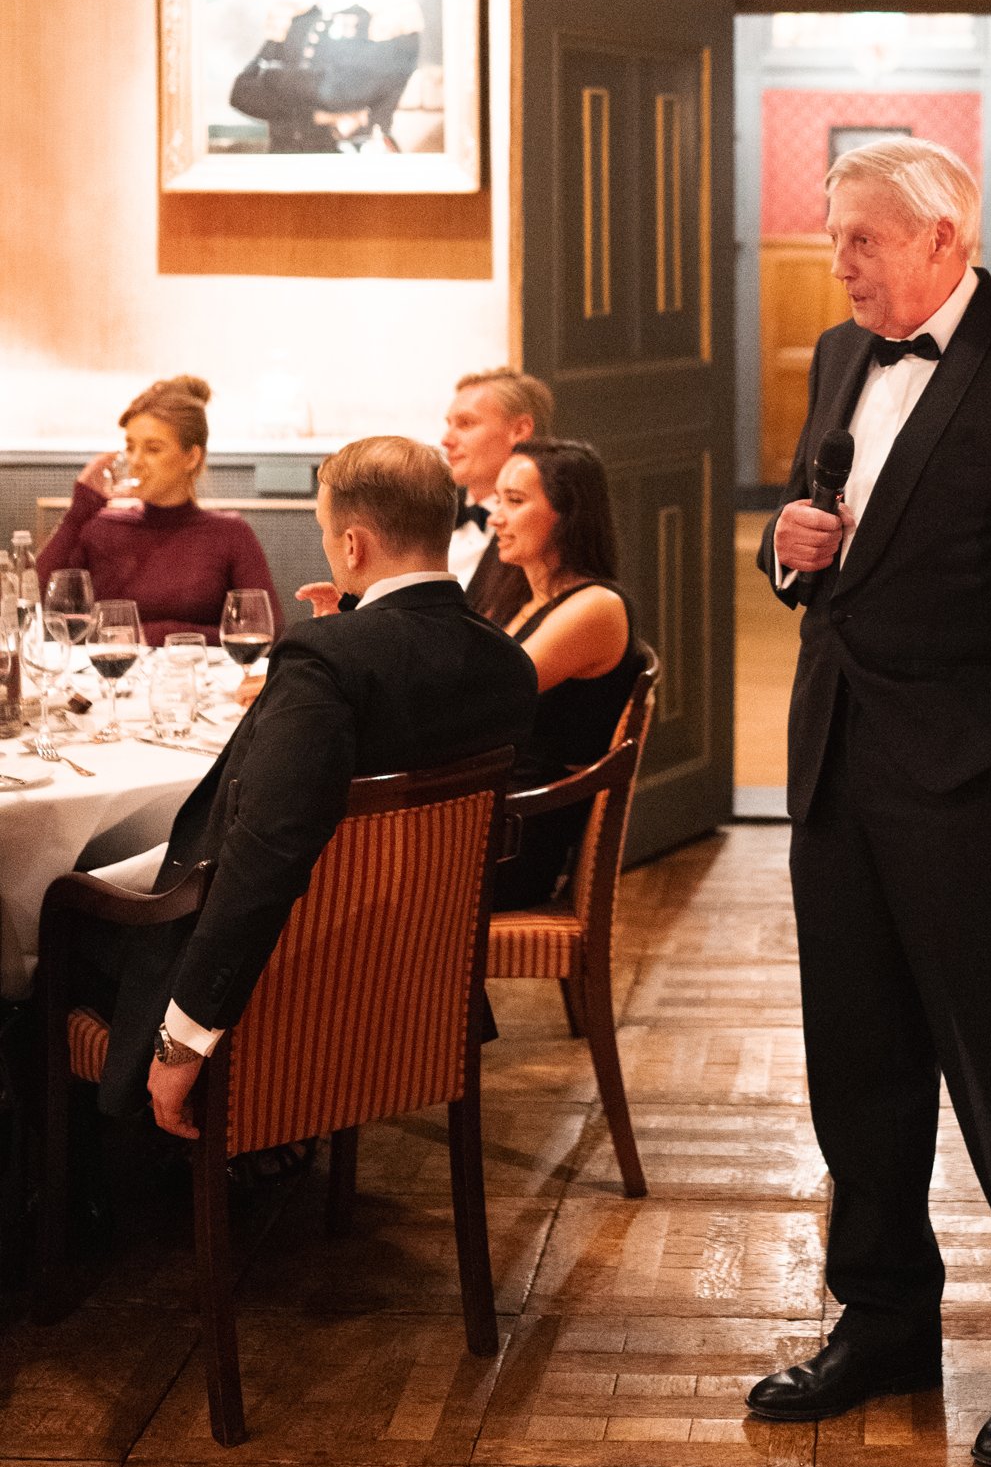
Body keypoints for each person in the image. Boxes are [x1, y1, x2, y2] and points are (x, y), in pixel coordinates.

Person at [745, 138, 991, 1467]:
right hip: (834, 754)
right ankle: (884, 1317)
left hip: (964, 771)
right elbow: (818, 533)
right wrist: (785, 551)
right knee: (854, 1054)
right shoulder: (839, 354)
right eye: (833, 236)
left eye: (860, 238)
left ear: (941, 241)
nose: (837, 262)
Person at [77, 436, 538, 1131]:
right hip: (412, 981)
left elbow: (266, 857)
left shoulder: (326, 661)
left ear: (353, 544)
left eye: (325, 533)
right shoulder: (508, 664)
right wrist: (344, 639)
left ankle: (92, 1176)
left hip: (279, 988)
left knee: (58, 919)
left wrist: (184, 1040)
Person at [488, 438, 643, 911]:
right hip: (496, 816)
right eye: (497, 500)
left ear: (567, 514)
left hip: (520, 839)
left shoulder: (596, 607)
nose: (495, 517)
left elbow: (486, 698)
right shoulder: (521, 594)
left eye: (514, 501)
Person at [38, 375, 281, 644]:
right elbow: (36, 605)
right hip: (112, 671)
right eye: (130, 447)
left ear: (191, 457)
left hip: (196, 671)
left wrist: (156, 635)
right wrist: (77, 514)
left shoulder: (229, 533)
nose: (135, 461)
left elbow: (266, 631)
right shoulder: (101, 528)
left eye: (153, 449)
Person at [228, 0, 423, 157]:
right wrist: (319, 115)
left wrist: (270, 77)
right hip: (284, 164)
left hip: (356, 166)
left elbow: (340, 92)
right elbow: (242, 93)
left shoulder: (389, 18)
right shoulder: (294, 19)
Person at [442, 368, 556, 627]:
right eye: (449, 424)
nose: (446, 440)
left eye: (466, 424)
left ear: (520, 430)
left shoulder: (545, 533)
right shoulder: (430, 512)